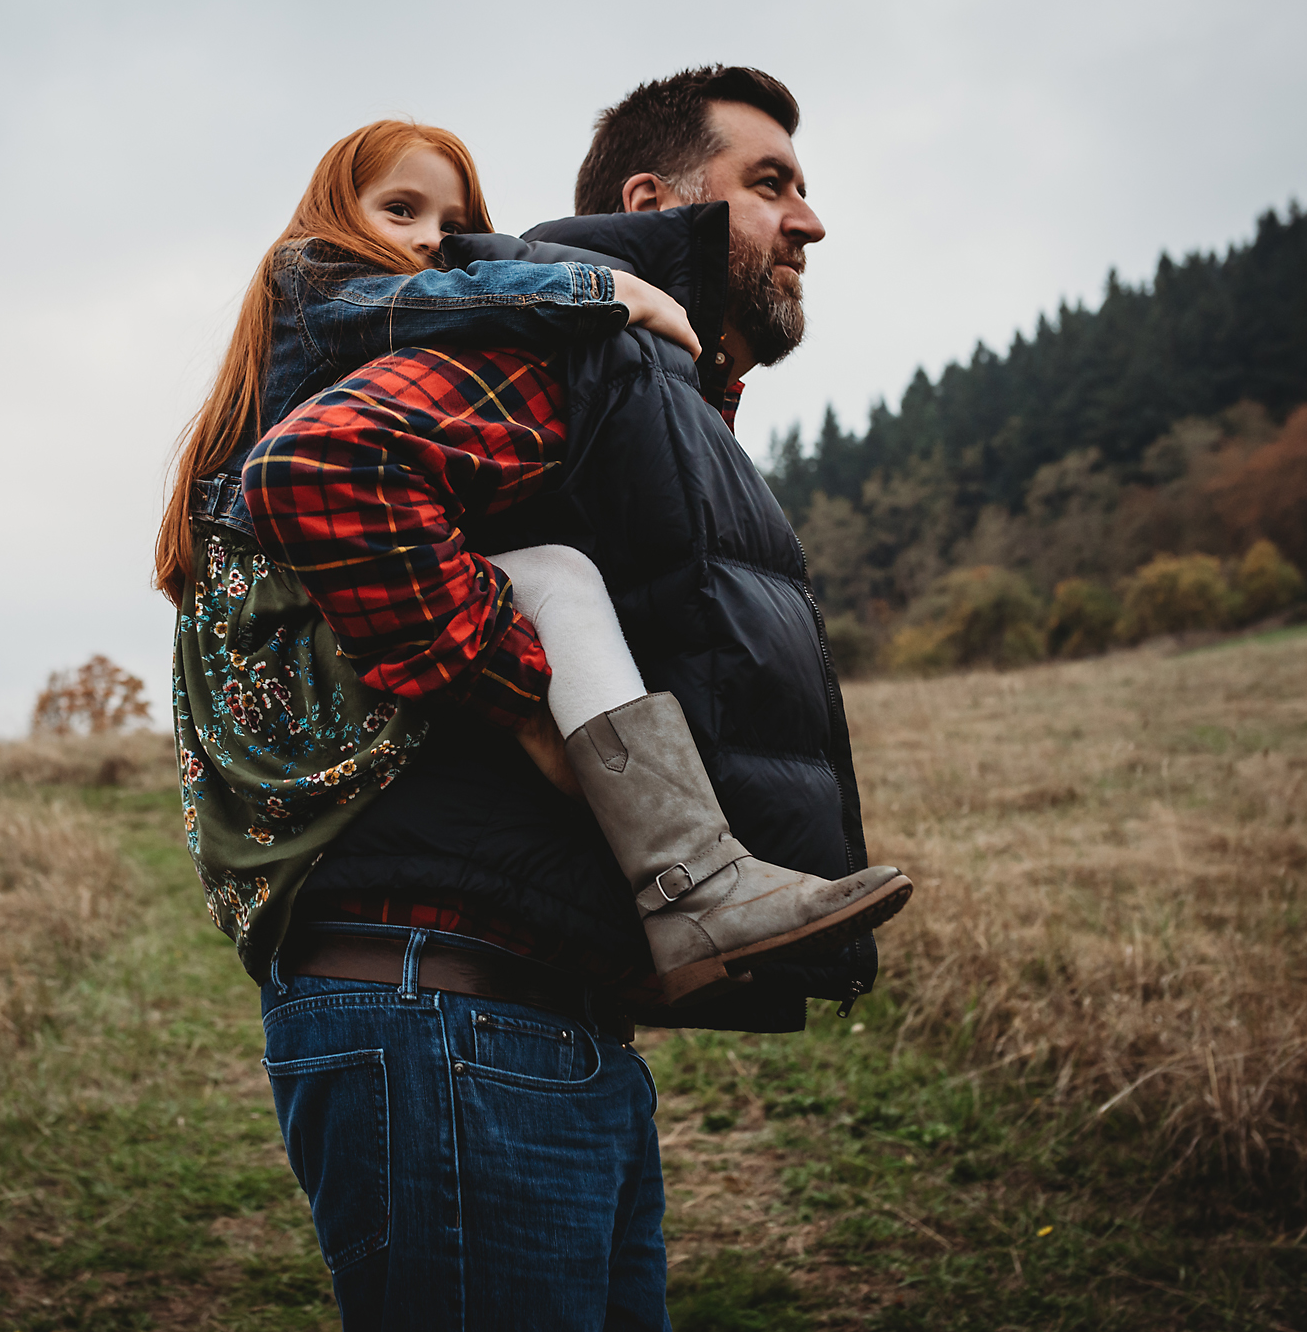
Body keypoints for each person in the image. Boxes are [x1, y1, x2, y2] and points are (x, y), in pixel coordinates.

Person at [243, 67, 887, 1328]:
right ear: (656, 199)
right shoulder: (566, 348)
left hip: (532, 1019)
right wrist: (523, 706)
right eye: (769, 185)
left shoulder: (641, 387)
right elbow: (320, 467)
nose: (809, 221)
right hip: (454, 1016)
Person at [159, 119, 905, 1006]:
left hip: (294, 655)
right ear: (331, 216)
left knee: (552, 573)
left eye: (452, 221)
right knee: (553, 576)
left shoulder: (374, 355)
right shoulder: (323, 278)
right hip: (294, 639)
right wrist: (610, 292)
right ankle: (697, 877)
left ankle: (687, 884)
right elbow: (437, 313)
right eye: (400, 208)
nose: (432, 241)